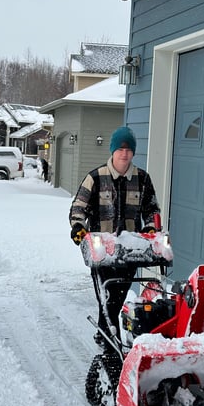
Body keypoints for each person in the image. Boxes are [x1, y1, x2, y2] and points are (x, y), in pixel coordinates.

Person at [69, 125, 160, 344]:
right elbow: (78, 208)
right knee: (106, 298)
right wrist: (78, 228)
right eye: (120, 148)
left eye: (129, 149)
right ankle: (110, 339)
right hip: (101, 251)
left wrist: (149, 228)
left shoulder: (142, 179)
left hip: (130, 251)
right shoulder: (96, 178)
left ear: (133, 152)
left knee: (116, 299)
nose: (124, 153)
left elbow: (152, 210)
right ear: (112, 150)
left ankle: (105, 335)